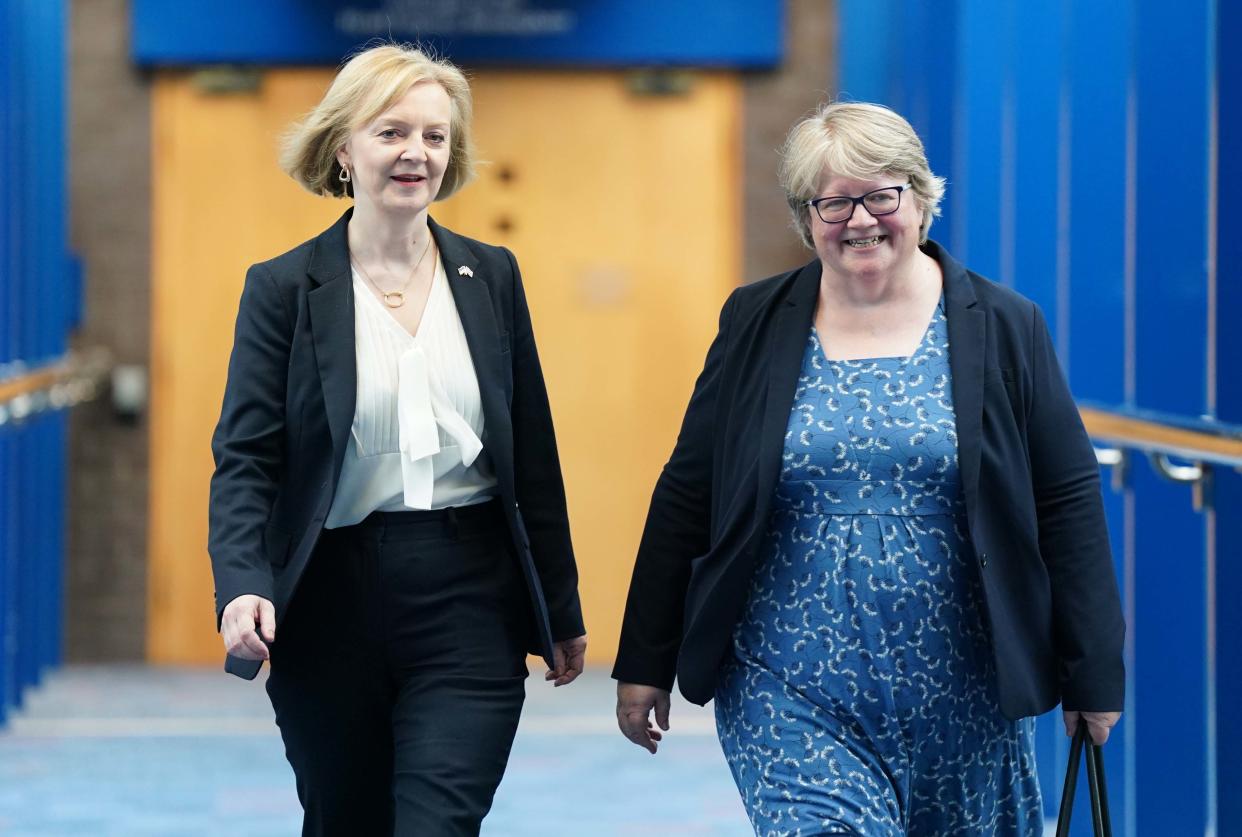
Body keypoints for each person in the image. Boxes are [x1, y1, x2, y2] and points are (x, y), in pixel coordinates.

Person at [613, 101, 1124, 835]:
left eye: (881, 195)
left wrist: (1091, 669)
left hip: (966, 689)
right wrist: (645, 659)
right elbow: (688, 494)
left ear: (919, 198)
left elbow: (1066, 498)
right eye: (833, 202)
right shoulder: (754, 322)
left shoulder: (1006, 324)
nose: (859, 219)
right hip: (789, 681)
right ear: (805, 215)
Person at [207, 44, 587, 836]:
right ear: (344, 148)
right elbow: (248, 458)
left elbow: (533, 452)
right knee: (345, 818)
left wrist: (559, 606)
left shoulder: (494, 275)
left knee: (436, 822)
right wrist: (243, 580)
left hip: (468, 591)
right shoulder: (283, 288)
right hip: (329, 597)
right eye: (392, 133)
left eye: (436, 136)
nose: (417, 153)